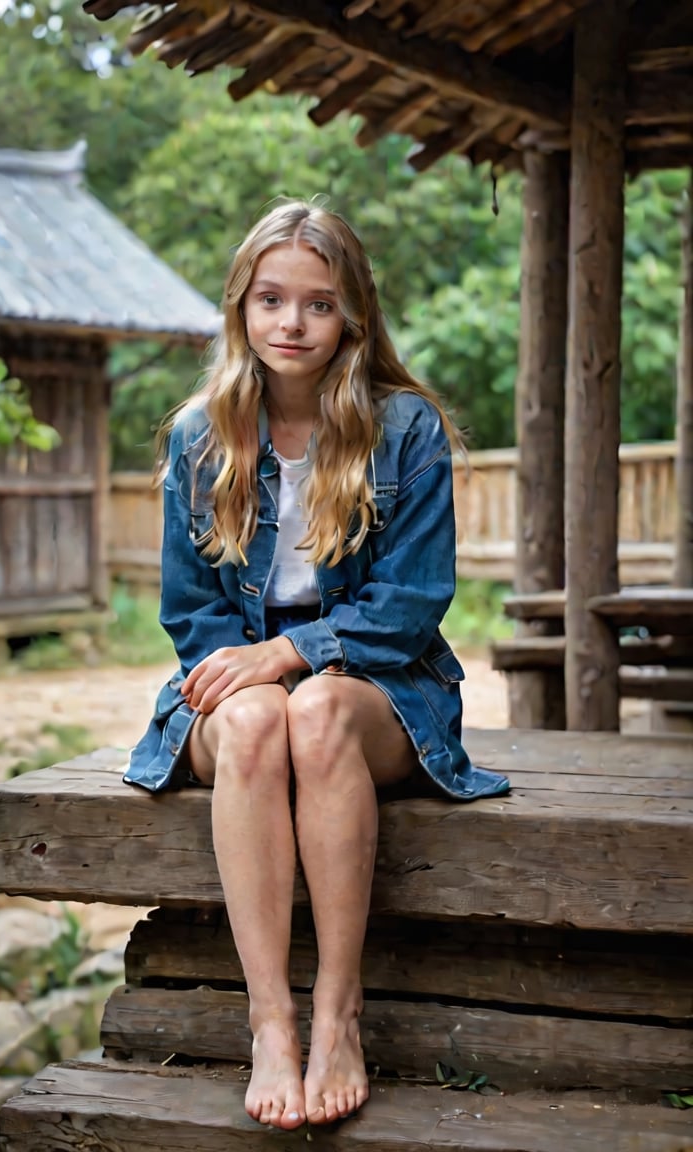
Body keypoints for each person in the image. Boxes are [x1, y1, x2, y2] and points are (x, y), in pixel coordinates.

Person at [125, 199, 510, 1132]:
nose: (291, 324)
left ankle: (339, 1013)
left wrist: (296, 652)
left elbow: (413, 602)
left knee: (318, 712)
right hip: (243, 675)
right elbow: (191, 611)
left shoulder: (404, 429)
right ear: (241, 310)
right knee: (260, 718)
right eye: (271, 300)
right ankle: (272, 1023)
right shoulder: (199, 437)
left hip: (379, 681)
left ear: (353, 319)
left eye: (318, 304)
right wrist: (251, 669)